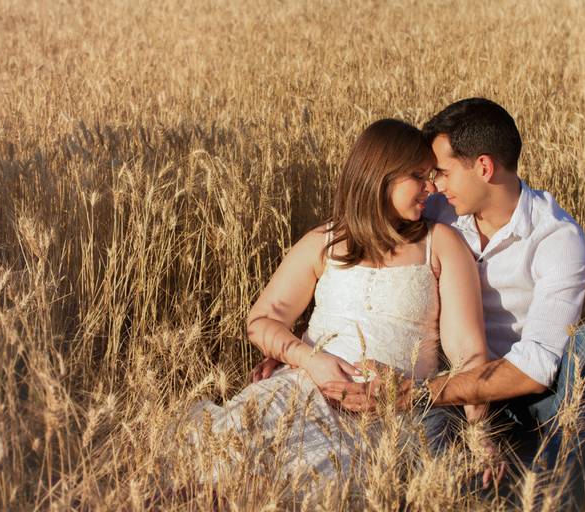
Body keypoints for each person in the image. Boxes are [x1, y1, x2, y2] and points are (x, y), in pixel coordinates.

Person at [313, 98, 585, 503]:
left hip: (534, 398)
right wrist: (296, 343)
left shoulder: (556, 237)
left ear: (485, 167)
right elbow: (368, 255)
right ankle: (507, 481)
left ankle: (555, 487)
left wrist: (420, 393)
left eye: (441, 172)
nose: (433, 185)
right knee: (436, 482)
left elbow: (536, 366)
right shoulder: (437, 209)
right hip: (454, 394)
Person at [186, 119, 492, 492]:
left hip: (388, 415)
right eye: (418, 176)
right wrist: (310, 360)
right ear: (381, 176)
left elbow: (470, 355)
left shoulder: (441, 244)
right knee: (217, 467)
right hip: (300, 391)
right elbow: (262, 319)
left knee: (320, 487)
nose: (431, 188)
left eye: (431, 175)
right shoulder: (325, 242)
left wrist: (480, 437)